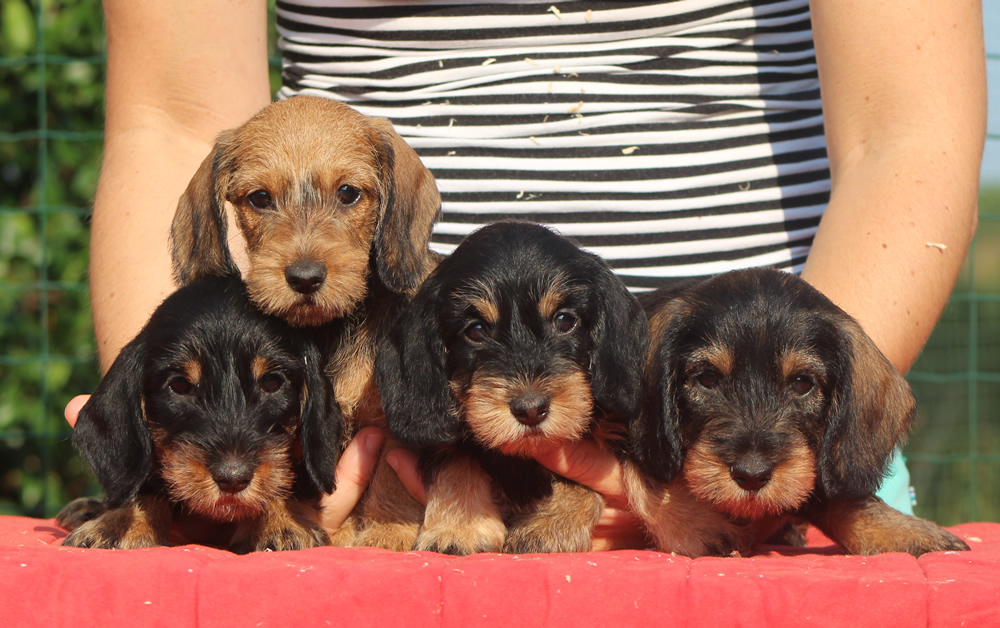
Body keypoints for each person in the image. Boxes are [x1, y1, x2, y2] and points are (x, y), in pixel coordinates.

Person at [67, 0, 985, 546]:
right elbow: (172, 119)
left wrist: (765, 454)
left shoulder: (764, 452)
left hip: (755, 453)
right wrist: (173, 442)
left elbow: (907, 138)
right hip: (341, 455)